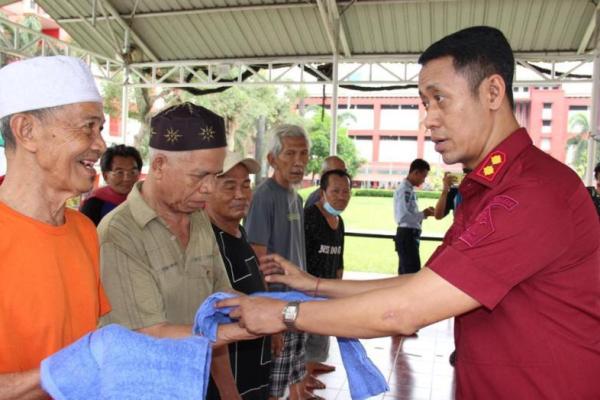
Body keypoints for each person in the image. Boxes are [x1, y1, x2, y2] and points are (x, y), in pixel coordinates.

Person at [219, 26, 600, 400]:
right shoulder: (489, 190)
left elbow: (401, 312)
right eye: (424, 103)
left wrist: (283, 313)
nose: (429, 118)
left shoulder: (532, 192)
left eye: (440, 99)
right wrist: (312, 286)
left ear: (493, 92)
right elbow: (417, 285)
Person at [98, 103, 241, 399]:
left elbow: (221, 303)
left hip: (194, 385)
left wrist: (230, 393)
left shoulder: (198, 218)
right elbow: (151, 336)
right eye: (199, 176)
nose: (210, 189)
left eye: (216, 175)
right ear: (160, 165)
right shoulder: (120, 234)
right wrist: (252, 325)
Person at [0, 56, 111, 399]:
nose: (101, 145)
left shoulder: (83, 230)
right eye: (88, 127)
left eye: (101, 129)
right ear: (27, 131)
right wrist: (62, 373)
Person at [244, 124, 312, 400]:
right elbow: (258, 259)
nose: (298, 162)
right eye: (290, 154)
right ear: (272, 159)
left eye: (304, 154)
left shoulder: (296, 197)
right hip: (278, 309)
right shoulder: (263, 197)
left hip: (299, 304)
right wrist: (271, 322)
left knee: (295, 376)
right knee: (274, 386)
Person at [205, 151, 272, 400]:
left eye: (246, 185)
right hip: (229, 378)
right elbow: (210, 324)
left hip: (254, 364)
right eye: (229, 186)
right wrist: (228, 391)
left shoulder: (239, 231)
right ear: (207, 188)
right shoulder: (207, 242)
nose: (241, 194)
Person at [303, 168, 351, 379]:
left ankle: (314, 363)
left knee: (322, 329)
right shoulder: (309, 217)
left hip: (328, 289)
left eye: (346, 192)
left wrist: (338, 285)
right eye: (335, 191)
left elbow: (338, 257)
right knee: (305, 332)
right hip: (307, 290)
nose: (342, 197)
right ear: (322, 193)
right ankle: (303, 376)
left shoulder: (340, 222)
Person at [80, 144, 143, 225]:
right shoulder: (94, 204)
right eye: (119, 172)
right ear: (106, 176)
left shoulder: (145, 201)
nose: (127, 178)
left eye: (132, 172)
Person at [393, 158, 435, 274]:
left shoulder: (410, 190)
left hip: (410, 235)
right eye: (423, 176)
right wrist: (424, 214)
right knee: (410, 273)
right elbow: (403, 217)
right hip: (407, 235)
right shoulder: (404, 190)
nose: (423, 180)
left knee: (408, 272)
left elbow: (409, 214)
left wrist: (424, 214)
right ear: (415, 172)